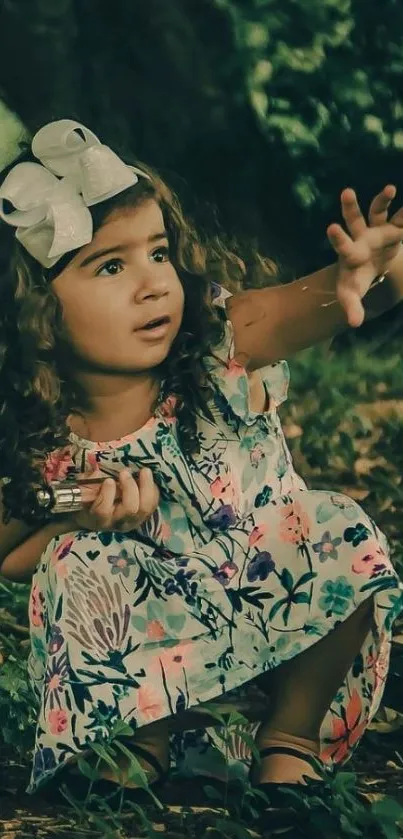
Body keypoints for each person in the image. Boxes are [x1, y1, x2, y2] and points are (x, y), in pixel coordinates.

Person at [0, 120, 402, 816]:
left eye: (157, 252)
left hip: (279, 641)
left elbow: (336, 300)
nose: (153, 283)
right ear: (35, 313)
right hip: (158, 680)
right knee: (77, 558)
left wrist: (370, 273)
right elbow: (13, 550)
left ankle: (288, 743)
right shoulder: (45, 433)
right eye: (110, 266)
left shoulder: (223, 342)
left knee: (334, 523)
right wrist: (77, 503)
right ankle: (138, 753)